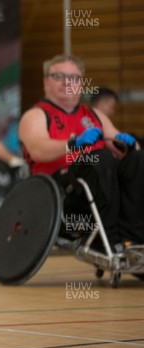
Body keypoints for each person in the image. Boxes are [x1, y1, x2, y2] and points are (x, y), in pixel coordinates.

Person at [19, 54, 143, 250]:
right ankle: (106, 240)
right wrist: (73, 143)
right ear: (46, 83)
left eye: (74, 78)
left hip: (102, 184)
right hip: (60, 191)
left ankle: (133, 239)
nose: (67, 82)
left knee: (138, 159)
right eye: (58, 76)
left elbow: (121, 145)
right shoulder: (36, 115)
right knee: (99, 158)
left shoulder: (94, 115)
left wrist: (130, 146)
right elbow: (38, 150)